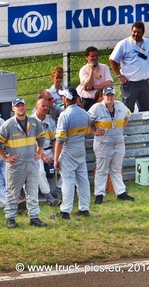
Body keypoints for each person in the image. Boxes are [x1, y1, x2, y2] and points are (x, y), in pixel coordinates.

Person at [0, 97, 47, 228]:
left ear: (26, 106)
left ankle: (34, 217)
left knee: (33, 192)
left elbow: (41, 137)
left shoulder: (33, 122)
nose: (20, 108)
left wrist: (40, 152)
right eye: (17, 106)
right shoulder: (8, 124)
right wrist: (5, 157)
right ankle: (10, 218)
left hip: (32, 163)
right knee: (12, 192)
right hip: (16, 165)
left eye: (22, 105)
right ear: (13, 108)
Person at [88, 86, 135, 204]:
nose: (109, 97)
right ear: (103, 96)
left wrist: (121, 129)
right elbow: (86, 121)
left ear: (114, 95)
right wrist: (94, 132)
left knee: (116, 168)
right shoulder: (96, 108)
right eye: (107, 95)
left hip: (119, 142)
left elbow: (127, 116)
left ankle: (121, 192)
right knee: (102, 169)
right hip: (103, 143)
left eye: (111, 95)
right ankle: (99, 195)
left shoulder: (120, 106)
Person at [53, 86, 91, 220]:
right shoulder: (85, 114)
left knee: (67, 181)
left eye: (63, 96)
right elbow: (86, 134)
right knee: (83, 180)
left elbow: (60, 139)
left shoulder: (65, 115)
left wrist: (56, 158)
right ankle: (84, 208)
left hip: (68, 151)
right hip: (80, 150)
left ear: (66, 99)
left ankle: (65, 211)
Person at [109, 21, 149, 112]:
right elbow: (112, 60)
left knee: (145, 110)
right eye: (134, 32)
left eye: (138, 32)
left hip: (144, 83)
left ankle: (143, 126)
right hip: (130, 83)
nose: (136, 34)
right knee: (128, 110)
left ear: (143, 32)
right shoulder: (123, 44)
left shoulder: (148, 43)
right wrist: (119, 75)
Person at [32, 98, 61, 206]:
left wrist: (55, 155)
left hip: (50, 150)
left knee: (67, 164)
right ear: (36, 107)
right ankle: (49, 197)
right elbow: (30, 143)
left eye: (47, 106)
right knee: (40, 171)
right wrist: (42, 155)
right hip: (35, 151)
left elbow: (54, 140)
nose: (45, 108)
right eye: (42, 106)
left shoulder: (50, 121)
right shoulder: (30, 121)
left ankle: (57, 191)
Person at [77, 46, 113, 111]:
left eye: (96, 56)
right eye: (92, 56)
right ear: (86, 57)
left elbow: (109, 83)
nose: (95, 58)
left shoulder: (104, 67)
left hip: (102, 99)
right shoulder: (83, 70)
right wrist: (91, 70)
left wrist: (93, 87)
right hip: (88, 100)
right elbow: (87, 87)